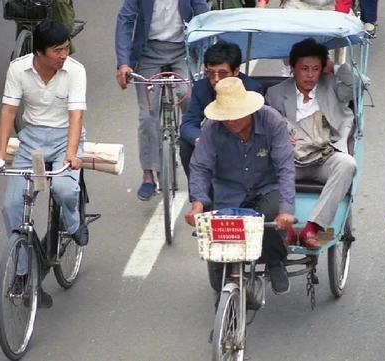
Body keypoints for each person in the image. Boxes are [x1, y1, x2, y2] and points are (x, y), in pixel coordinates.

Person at [0, 20, 88, 301]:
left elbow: (76, 116)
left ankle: (74, 222)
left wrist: (71, 154)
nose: (64, 55)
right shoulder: (19, 69)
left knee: (65, 189)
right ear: (39, 53)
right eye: (58, 50)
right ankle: (22, 273)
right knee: (12, 205)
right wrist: (0, 150)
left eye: (66, 48)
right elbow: (9, 112)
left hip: (67, 137)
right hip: (31, 140)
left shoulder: (75, 71)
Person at [185, 77, 296, 294]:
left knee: (271, 217)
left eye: (235, 114)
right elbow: (200, 166)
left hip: (266, 186)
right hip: (229, 190)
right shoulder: (212, 128)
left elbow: (285, 167)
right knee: (219, 260)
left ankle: (275, 262)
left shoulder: (271, 121)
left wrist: (286, 210)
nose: (230, 121)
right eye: (225, 116)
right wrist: (198, 203)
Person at [266, 38, 358, 249]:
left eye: (315, 69)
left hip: (324, 157)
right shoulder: (276, 93)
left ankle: (313, 228)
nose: (309, 75)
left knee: (347, 164)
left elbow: (360, 84)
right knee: (261, 164)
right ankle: (285, 225)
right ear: (293, 68)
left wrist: (333, 67)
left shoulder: (333, 87)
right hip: (289, 161)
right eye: (304, 69)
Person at [115, 0, 208, 200]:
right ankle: (148, 174)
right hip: (148, 53)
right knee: (148, 115)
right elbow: (125, 20)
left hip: (182, 51)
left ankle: (199, 167)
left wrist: (206, 56)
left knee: (189, 96)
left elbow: (203, 17)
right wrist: (123, 63)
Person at [179, 40, 264, 181]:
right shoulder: (201, 88)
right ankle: (198, 194)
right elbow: (188, 123)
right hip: (213, 138)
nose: (216, 80)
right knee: (185, 145)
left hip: (241, 141)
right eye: (211, 73)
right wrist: (199, 139)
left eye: (223, 73)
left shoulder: (253, 89)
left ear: (236, 71)